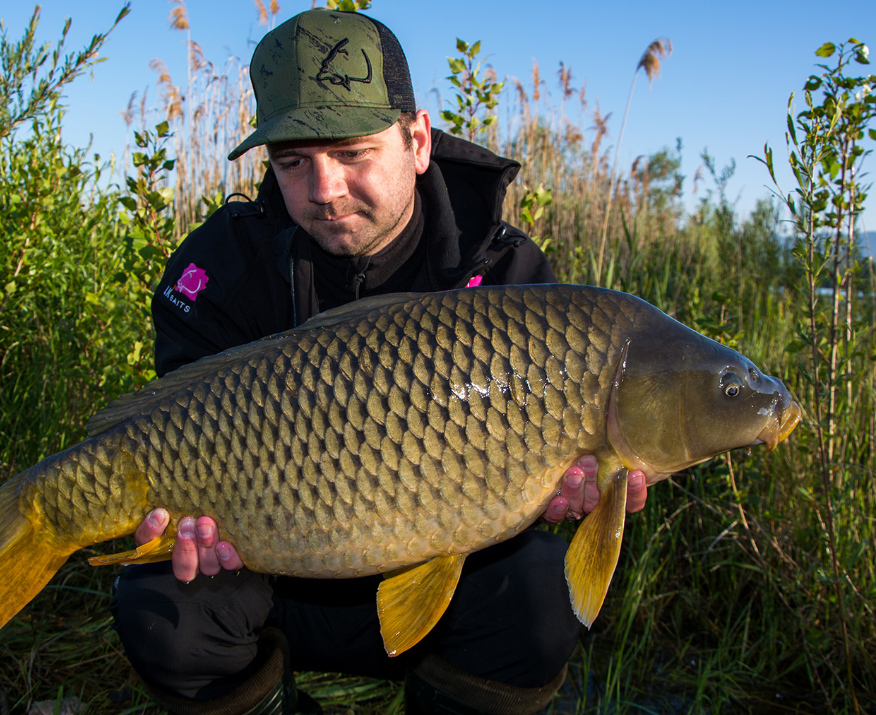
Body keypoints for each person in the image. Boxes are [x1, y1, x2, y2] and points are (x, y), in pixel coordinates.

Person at [111, 9, 647, 715]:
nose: (324, 189)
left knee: (542, 594)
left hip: (444, 592)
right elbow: (169, 435)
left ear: (416, 139)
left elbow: (564, 491)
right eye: (293, 162)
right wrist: (182, 527)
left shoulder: (512, 276)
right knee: (160, 602)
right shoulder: (220, 270)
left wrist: (566, 500)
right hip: (269, 576)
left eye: (353, 152)